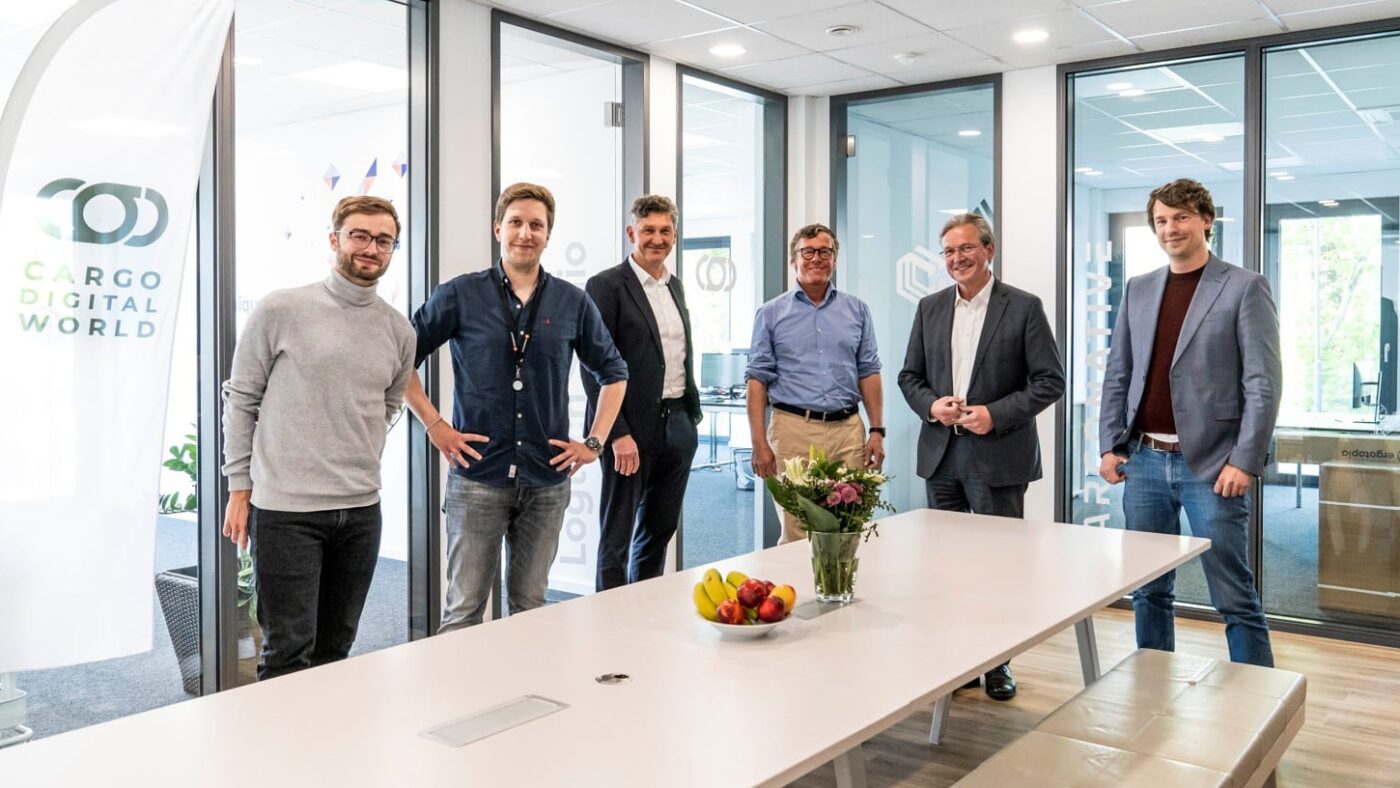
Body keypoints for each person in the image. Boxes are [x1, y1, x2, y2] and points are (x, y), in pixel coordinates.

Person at [404, 182, 627, 632]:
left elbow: (614, 371)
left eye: (536, 225)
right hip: (478, 477)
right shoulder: (460, 294)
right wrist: (435, 425)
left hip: (546, 481)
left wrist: (594, 443)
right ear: (498, 229)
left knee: (530, 608)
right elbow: (401, 360)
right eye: (516, 223)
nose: (526, 233)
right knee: (463, 612)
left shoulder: (572, 301)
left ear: (548, 235)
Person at [221, 195, 415, 680]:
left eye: (384, 240)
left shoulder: (399, 330)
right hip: (287, 513)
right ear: (335, 239)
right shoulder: (282, 309)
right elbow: (242, 399)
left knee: (336, 648)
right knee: (287, 653)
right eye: (359, 235)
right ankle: (276, 734)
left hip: (361, 512)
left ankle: (326, 733)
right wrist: (239, 487)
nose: (371, 248)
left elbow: (387, 405)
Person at [1099, 178, 1280, 667]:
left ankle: (1258, 696)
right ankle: (1152, 686)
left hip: (1214, 466)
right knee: (1148, 589)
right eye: (1161, 220)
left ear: (1206, 221)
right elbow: (1118, 373)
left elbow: (1262, 384)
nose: (1170, 228)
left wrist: (1245, 460)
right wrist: (1109, 445)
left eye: (1180, 217)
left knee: (1233, 595)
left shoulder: (1244, 286)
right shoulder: (1139, 289)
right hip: (1144, 462)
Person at [897, 212, 1065, 701]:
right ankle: (958, 664)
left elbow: (1049, 380)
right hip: (942, 455)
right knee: (945, 568)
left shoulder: (1024, 307)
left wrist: (995, 414)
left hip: (999, 454)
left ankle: (997, 663)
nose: (957, 258)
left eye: (966, 248)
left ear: (988, 250)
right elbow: (909, 377)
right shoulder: (929, 307)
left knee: (998, 568)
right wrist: (932, 405)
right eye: (949, 251)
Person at [581, 195, 702, 591]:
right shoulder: (606, 286)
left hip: (677, 423)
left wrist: (690, 419)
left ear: (675, 236)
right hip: (629, 429)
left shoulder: (674, 286)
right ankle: (610, 616)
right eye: (648, 230)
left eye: (665, 230)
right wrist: (616, 433)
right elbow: (593, 367)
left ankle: (644, 606)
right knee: (617, 534)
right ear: (631, 232)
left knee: (659, 529)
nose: (657, 238)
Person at [745, 223, 885, 543]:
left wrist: (877, 430)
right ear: (793, 260)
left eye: (825, 251)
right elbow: (757, 379)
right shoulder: (770, 313)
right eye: (807, 252)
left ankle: (839, 579)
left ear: (834, 259)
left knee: (848, 524)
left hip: (847, 431)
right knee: (797, 528)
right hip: (793, 430)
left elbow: (869, 371)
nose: (816, 258)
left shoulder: (857, 310)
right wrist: (758, 443)